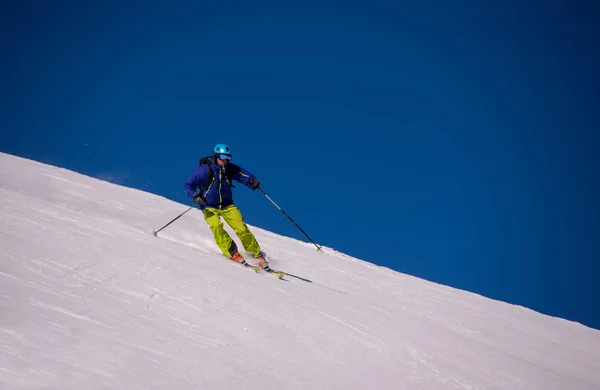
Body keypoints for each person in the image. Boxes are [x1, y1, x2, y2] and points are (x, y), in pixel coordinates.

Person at [183, 143, 268, 269]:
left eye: (228, 157)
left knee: (241, 228)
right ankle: (233, 253)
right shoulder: (204, 171)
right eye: (223, 157)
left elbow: (243, 175)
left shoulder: (229, 168)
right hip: (209, 206)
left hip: (227, 205)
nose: (226, 160)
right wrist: (195, 196)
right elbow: (188, 185)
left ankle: (255, 254)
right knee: (216, 227)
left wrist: (252, 181)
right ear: (216, 155)